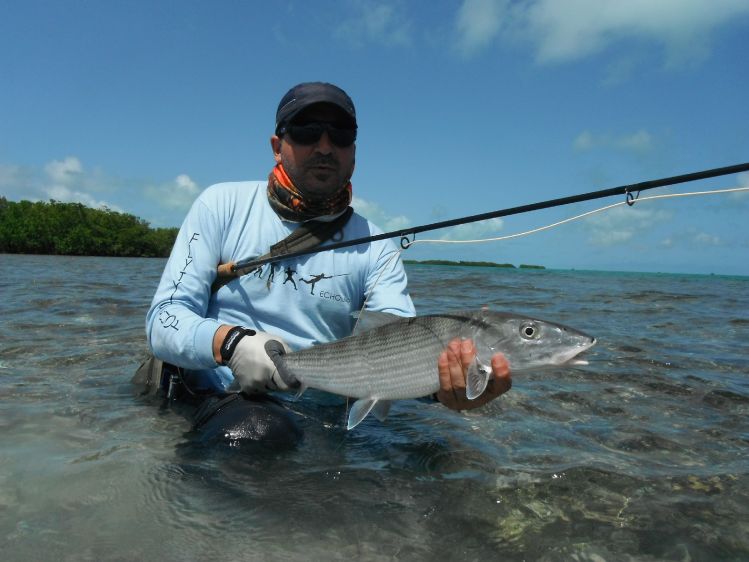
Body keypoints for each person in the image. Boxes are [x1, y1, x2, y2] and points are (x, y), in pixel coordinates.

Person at [144, 82, 511, 444]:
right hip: (217, 398)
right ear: (277, 146)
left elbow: (398, 352)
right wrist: (230, 343)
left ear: (353, 150)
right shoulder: (220, 205)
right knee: (258, 431)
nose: (324, 146)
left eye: (340, 134)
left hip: (320, 417)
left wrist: (446, 386)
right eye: (306, 132)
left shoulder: (378, 248)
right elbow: (164, 318)